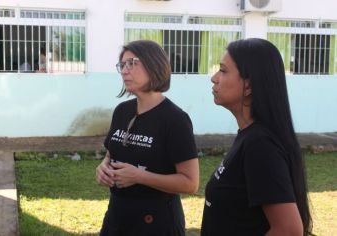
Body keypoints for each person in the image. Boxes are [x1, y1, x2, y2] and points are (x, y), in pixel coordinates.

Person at [201, 38, 313, 235]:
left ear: (249, 85)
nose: (214, 78)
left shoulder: (260, 144)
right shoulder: (249, 136)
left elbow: (289, 230)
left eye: (223, 70)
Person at [96, 40, 199, 236]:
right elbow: (111, 155)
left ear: (154, 65)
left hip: (156, 221)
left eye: (132, 63)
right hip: (117, 216)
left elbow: (190, 183)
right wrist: (103, 168)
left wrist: (139, 177)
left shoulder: (175, 119)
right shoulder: (122, 111)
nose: (125, 71)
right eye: (122, 65)